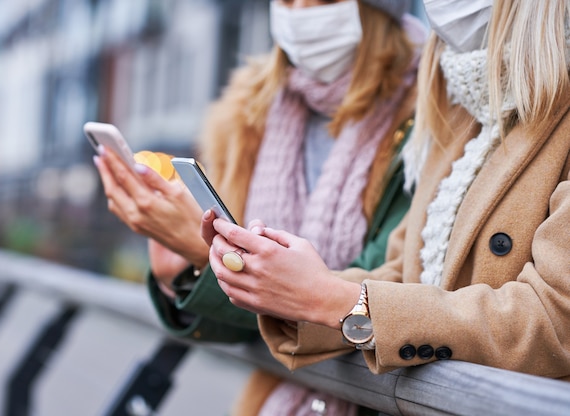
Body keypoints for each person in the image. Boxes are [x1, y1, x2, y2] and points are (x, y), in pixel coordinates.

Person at [203, 0, 570, 383]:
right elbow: (407, 269)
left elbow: (557, 319)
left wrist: (336, 300)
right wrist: (291, 294)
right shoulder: (462, 108)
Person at [94, 0, 426, 413]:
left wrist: (208, 255)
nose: (301, 9)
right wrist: (185, 272)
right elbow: (262, 331)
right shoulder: (248, 115)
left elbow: (383, 303)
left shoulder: (432, 114)